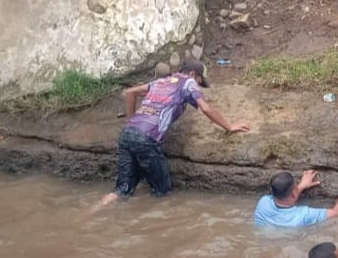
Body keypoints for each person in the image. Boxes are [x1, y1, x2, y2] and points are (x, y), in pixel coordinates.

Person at [96, 60, 250, 208]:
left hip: (127, 134)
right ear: (192, 74)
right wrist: (229, 127)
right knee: (162, 193)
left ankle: (90, 212)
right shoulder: (188, 82)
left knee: (122, 190)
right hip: (147, 140)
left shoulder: (161, 81)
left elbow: (130, 92)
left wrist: (131, 121)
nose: (198, 86)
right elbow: (206, 108)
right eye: (199, 81)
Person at [254, 170, 338, 228]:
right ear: (293, 194)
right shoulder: (303, 216)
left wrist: (301, 186)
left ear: (271, 190)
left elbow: (286, 200)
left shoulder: (263, 203)